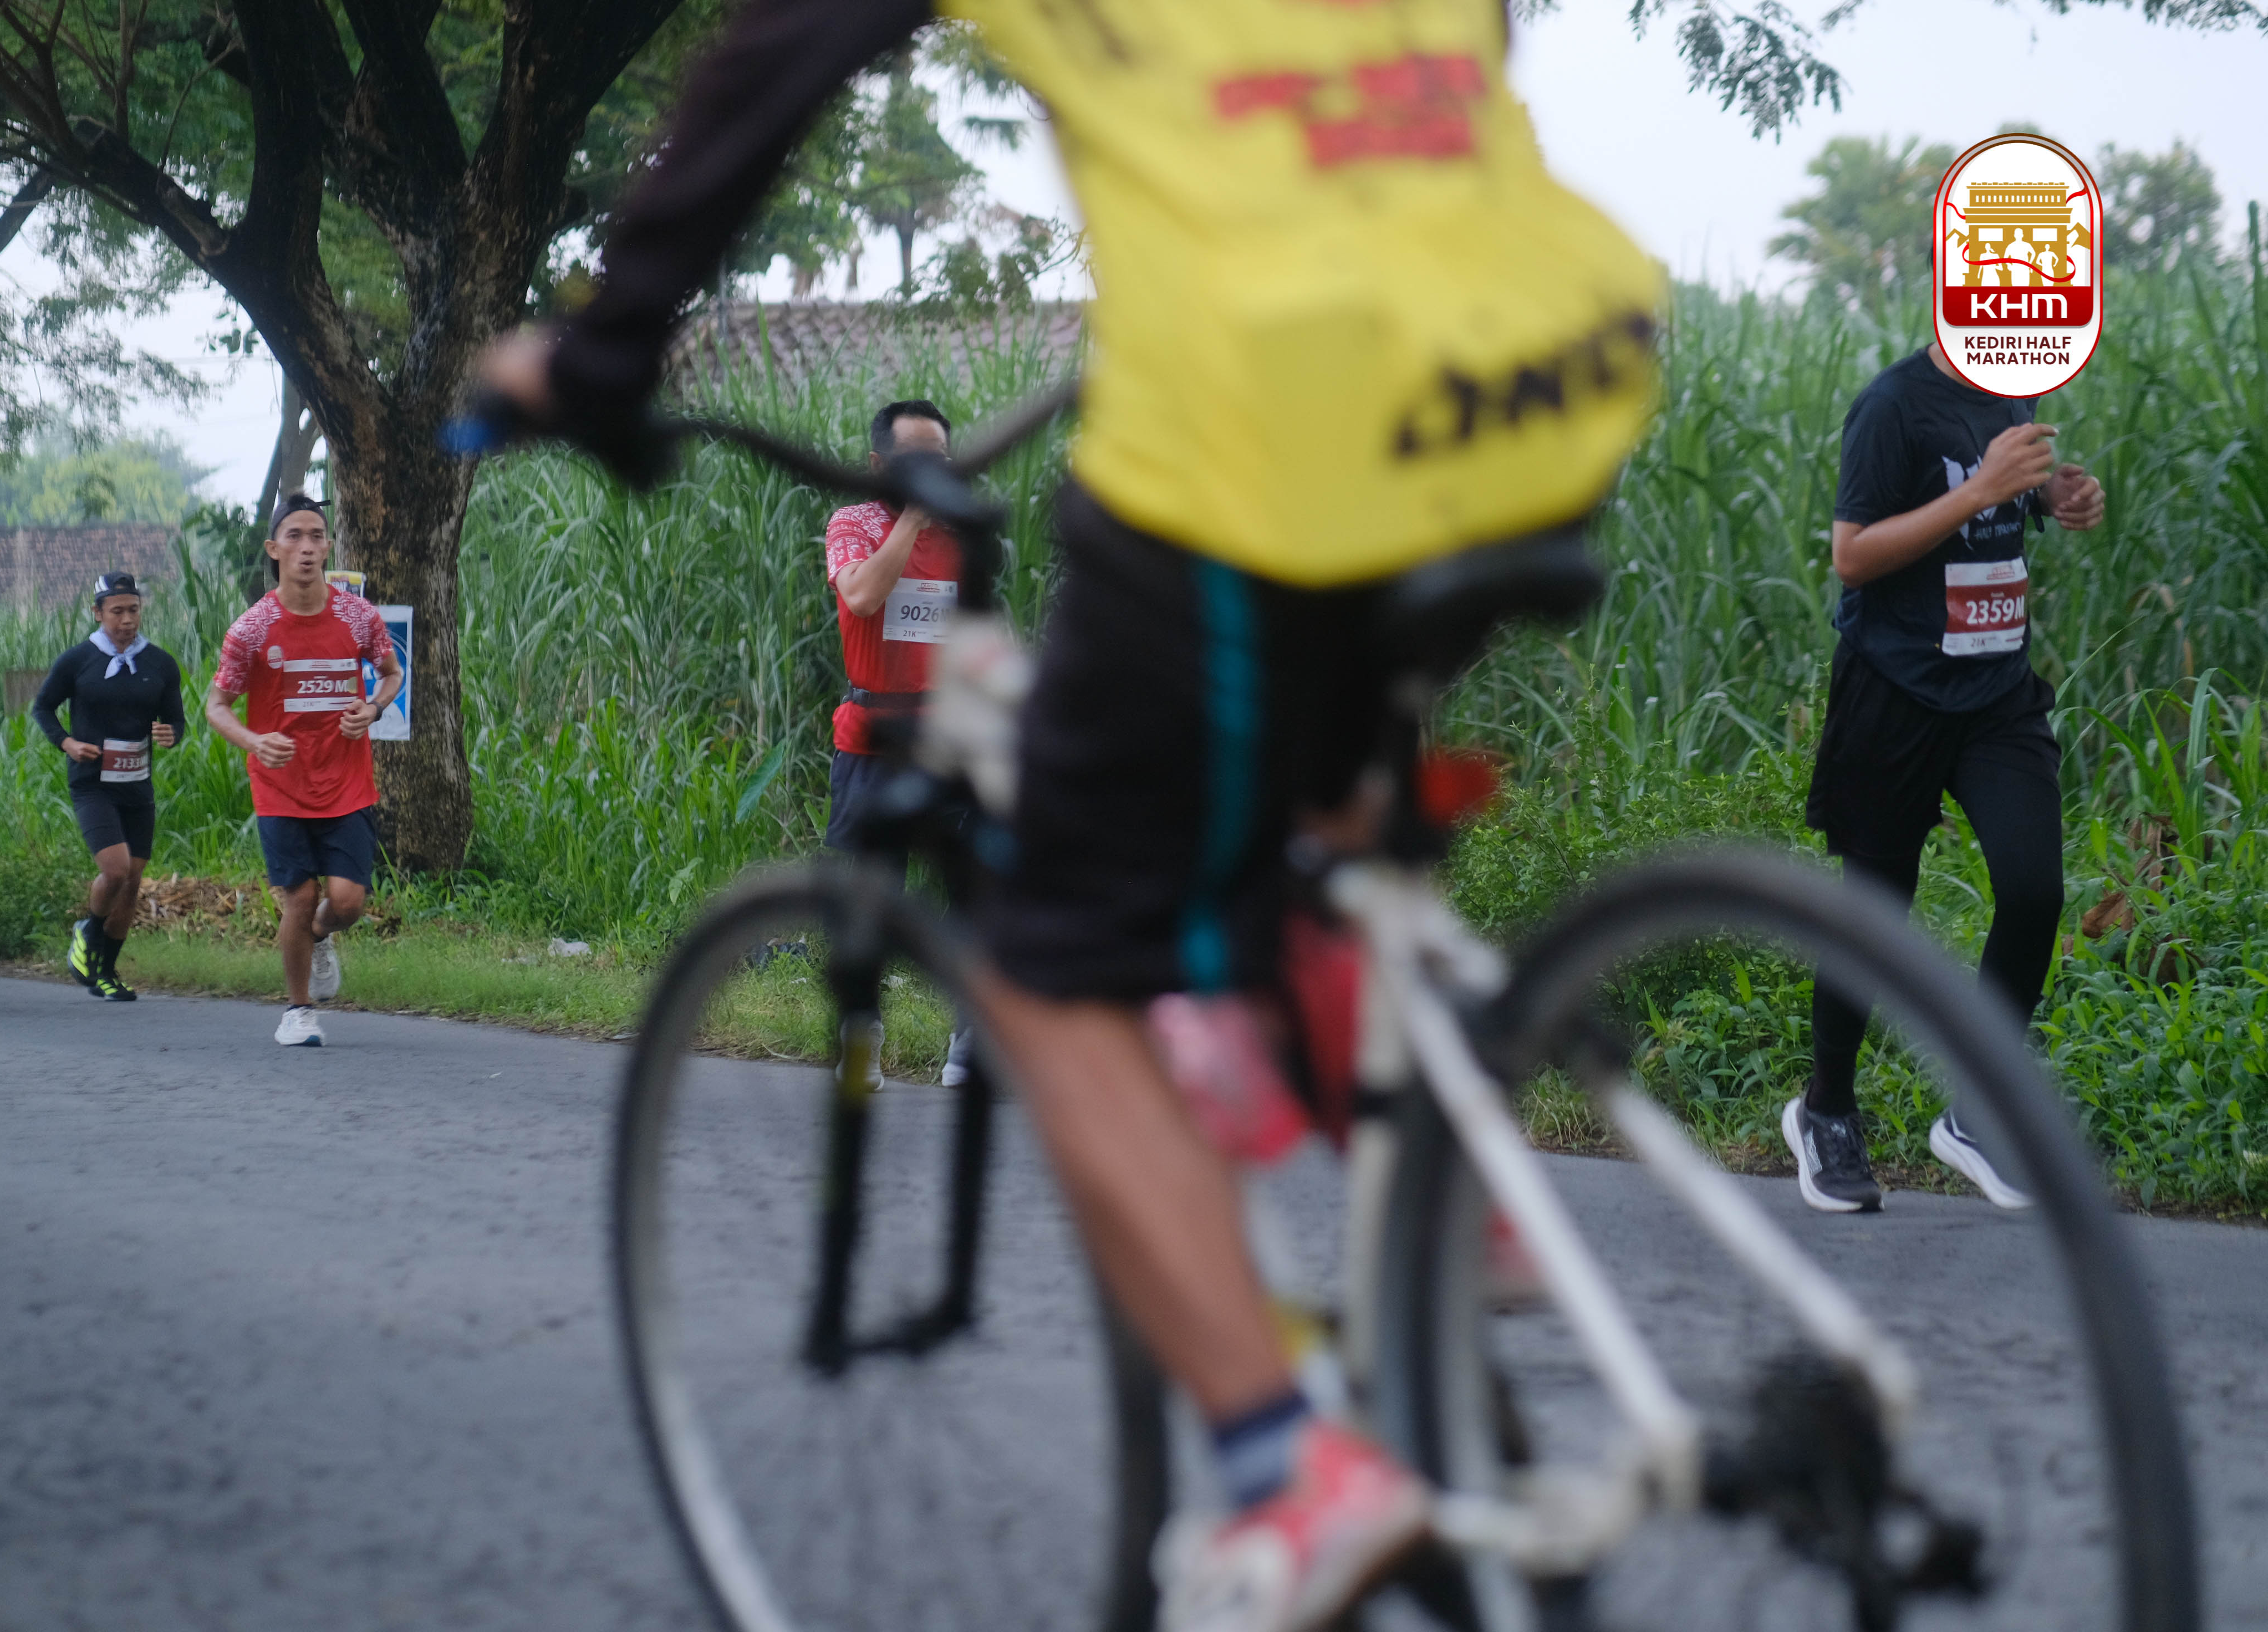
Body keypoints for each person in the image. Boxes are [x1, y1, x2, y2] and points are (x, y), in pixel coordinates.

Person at [477, 3, 1661, 1626]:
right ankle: (1457, 1198)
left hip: (1277, 424)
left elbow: (782, 44)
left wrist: (606, 345)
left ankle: (1290, 1468)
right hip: (1546, 365)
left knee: (1043, 968)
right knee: (1312, 826)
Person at [1784, 341, 2104, 1216]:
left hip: (1996, 692)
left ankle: (1978, 1113)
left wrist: (2053, 496)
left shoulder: (2012, 388)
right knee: (1876, 913)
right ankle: (1826, 1111)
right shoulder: (1891, 406)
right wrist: (1977, 490)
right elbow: (1853, 556)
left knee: (2034, 891)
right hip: (1895, 689)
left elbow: (2004, 497)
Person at [204, 495, 402, 1047]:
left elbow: (392, 673)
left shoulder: (358, 617)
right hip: (281, 786)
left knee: (348, 902)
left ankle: (319, 935)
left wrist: (374, 708)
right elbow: (216, 706)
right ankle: (298, 1011)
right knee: (298, 895)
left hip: (347, 782)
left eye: (317, 535)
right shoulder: (252, 629)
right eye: (295, 536)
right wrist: (254, 741)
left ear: (329, 545)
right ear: (274, 549)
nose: (308, 547)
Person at [823, 399, 977, 1088]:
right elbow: (860, 598)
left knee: (975, 895)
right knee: (868, 903)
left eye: (939, 457)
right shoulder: (854, 523)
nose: (930, 469)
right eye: (915, 458)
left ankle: (969, 1046)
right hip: (871, 742)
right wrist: (912, 520)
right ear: (879, 464)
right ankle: (861, 1044)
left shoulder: (964, 535)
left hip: (949, 742)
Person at [32, 572, 188, 1002]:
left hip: (137, 785)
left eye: (134, 610)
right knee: (115, 870)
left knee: (132, 882)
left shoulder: (160, 663)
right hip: (93, 784)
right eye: (117, 612)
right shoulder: (78, 660)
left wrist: (172, 734)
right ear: (97, 613)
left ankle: (106, 972)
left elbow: (176, 719)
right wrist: (67, 742)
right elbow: (43, 707)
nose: (127, 620)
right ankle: (88, 930)